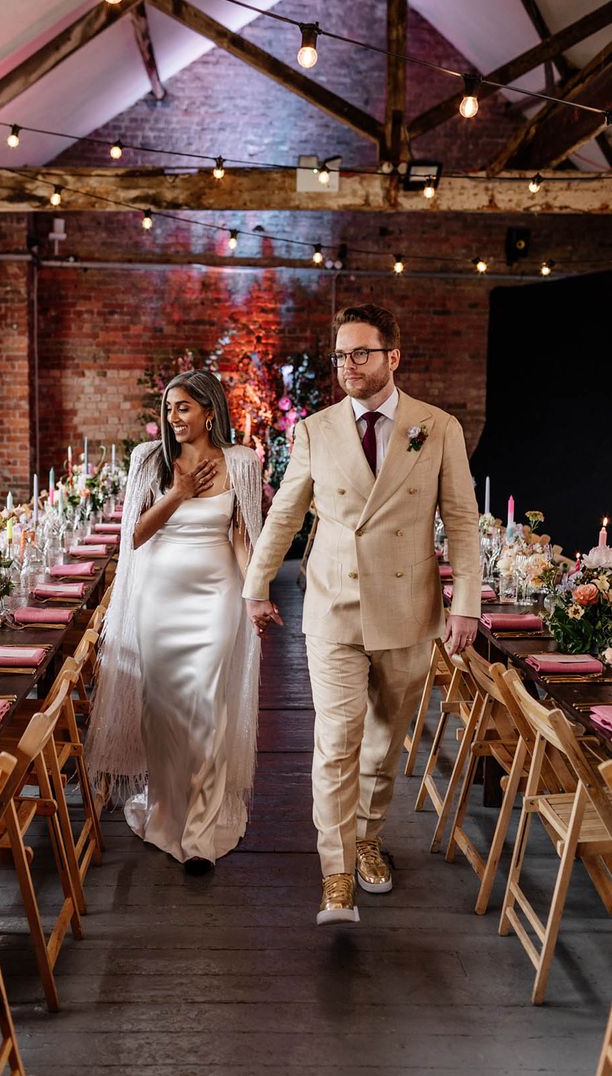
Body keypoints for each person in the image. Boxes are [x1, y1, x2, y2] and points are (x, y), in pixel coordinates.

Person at [243, 302, 480, 923]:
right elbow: (286, 513)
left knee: (383, 743)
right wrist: (256, 583)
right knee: (336, 742)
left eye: (361, 353)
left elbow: (460, 521)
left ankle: (368, 837)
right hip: (334, 604)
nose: (348, 365)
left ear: (392, 357)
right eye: (341, 355)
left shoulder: (438, 427)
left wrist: (467, 605)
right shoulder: (315, 430)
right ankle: (337, 873)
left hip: (408, 606)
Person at [87, 370, 262, 875]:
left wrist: (255, 593)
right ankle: (166, 812)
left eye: (183, 407)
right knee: (161, 711)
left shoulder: (241, 463)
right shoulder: (149, 461)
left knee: (209, 709)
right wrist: (179, 492)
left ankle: (202, 830)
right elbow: (134, 536)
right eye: (169, 409)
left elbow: (242, 538)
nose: (173, 419)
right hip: (159, 599)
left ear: (210, 411)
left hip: (218, 597)